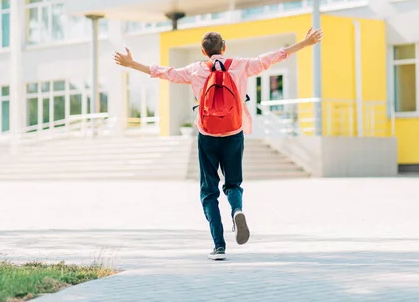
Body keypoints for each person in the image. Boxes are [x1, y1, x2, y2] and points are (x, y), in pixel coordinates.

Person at [113, 26, 324, 260]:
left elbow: (164, 72)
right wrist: (304, 44)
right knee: (233, 184)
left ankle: (219, 245)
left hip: (207, 136)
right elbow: (272, 57)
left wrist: (132, 64)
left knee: (209, 192)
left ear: (204, 52)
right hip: (234, 132)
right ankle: (237, 210)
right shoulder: (241, 65)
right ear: (224, 48)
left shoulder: (195, 70)